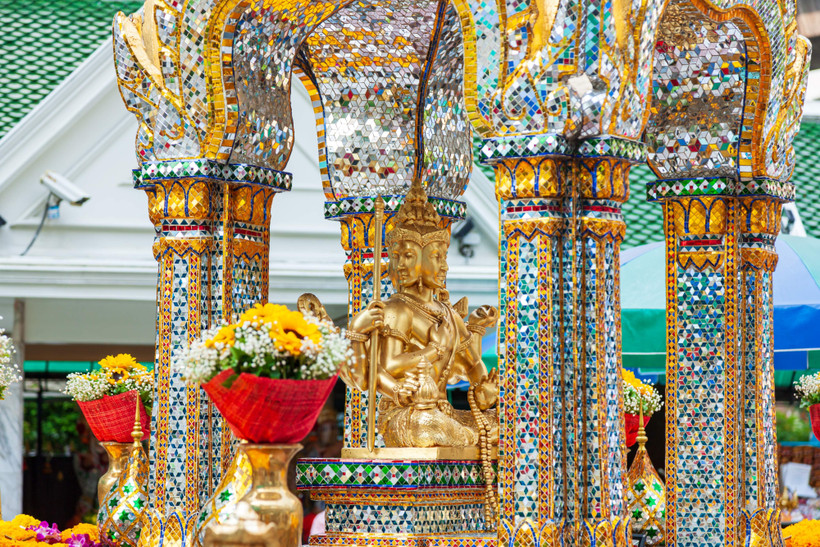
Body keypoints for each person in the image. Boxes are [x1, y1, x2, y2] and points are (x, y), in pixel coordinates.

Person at [342, 178, 499, 448]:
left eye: (410, 256)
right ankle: (472, 438)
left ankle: (472, 436)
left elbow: (470, 366)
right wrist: (434, 350)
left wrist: (484, 390)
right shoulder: (396, 309)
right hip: (407, 415)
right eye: (397, 257)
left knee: (507, 423)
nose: (400, 264)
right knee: (428, 428)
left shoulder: (447, 313)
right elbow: (388, 367)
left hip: (442, 410)